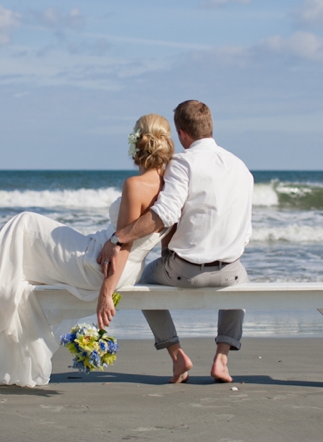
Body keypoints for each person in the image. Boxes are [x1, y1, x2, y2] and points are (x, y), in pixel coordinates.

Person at [0, 114, 174, 389]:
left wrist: (105, 294)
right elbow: (153, 239)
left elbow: (121, 247)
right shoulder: (170, 188)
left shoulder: (136, 186)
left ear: (138, 143)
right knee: (20, 245)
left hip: (97, 265)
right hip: (124, 270)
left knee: (25, 223)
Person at [98, 100, 254, 384]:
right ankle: (221, 358)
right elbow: (245, 230)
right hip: (229, 271)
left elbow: (165, 214)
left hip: (184, 271)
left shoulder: (183, 162)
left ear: (182, 134)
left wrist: (119, 237)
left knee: (145, 280)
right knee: (241, 280)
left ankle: (176, 353)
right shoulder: (240, 167)